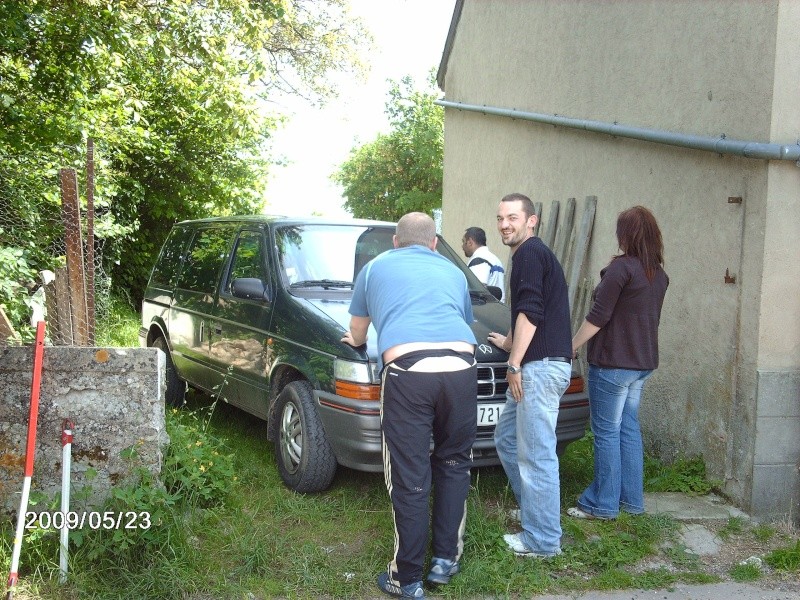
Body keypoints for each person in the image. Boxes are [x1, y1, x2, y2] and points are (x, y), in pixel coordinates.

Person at [342, 212, 477, 599]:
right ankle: (446, 560)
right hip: (462, 368)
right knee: (453, 462)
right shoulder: (453, 271)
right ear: (434, 243)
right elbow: (460, 321)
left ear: (396, 242)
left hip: (409, 372)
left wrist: (355, 340)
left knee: (410, 475)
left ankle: (406, 577)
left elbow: (357, 332)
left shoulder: (374, 267)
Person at [568, 205, 669, 520]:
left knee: (607, 431)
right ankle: (631, 503)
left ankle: (603, 503)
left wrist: (571, 345)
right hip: (642, 364)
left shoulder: (622, 269)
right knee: (628, 429)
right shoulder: (659, 275)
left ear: (626, 235)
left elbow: (599, 316)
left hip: (613, 364)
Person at [487, 193, 573, 558]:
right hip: (535, 363)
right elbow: (532, 311)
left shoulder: (530, 253)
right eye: (500, 218)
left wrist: (514, 363)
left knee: (536, 455)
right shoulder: (526, 255)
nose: (505, 224)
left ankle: (542, 541)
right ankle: (536, 513)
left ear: (531, 220)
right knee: (506, 439)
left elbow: (532, 312)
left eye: (513, 217)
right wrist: (508, 342)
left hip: (537, 370)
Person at [462, 226, 506, 302]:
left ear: (469, 242)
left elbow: (477, 292)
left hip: (485, 309)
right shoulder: (495, 259)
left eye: (463, 242)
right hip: (498, 308)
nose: (462, 246)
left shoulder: (479, 260)